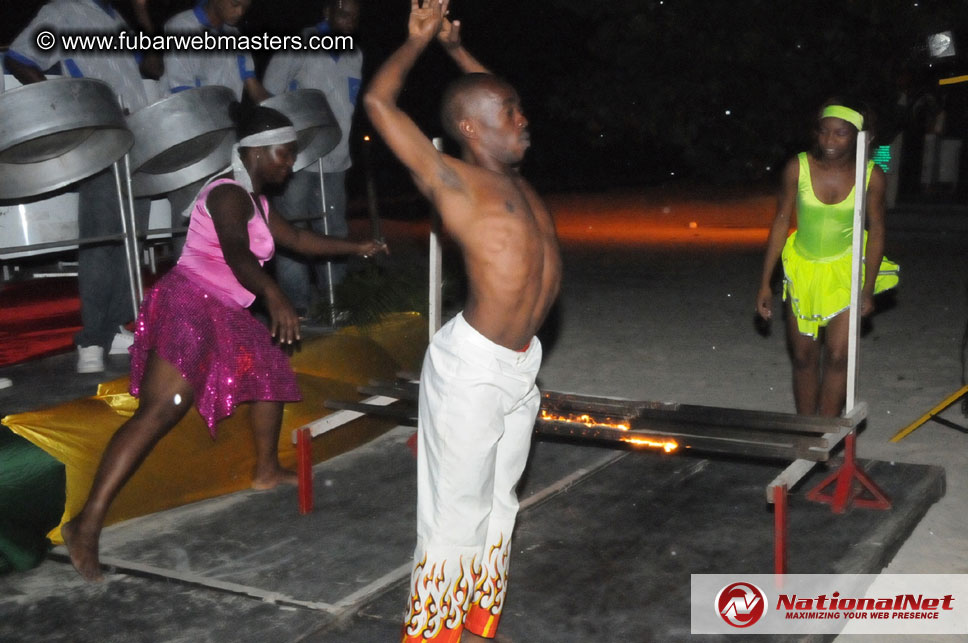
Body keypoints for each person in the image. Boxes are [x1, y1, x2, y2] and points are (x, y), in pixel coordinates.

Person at [60, 105, 387, 581]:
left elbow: (298, 238)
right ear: (255, 151)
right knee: (163, 407)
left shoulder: (258, 203)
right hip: (191, 302)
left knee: (271, 371)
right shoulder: (227, 194)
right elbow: (235, 252)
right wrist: (274, 294)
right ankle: (85, 524)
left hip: (225, 310)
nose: (289, 164)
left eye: (293, 155)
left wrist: (358, 247)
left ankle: (265, 469)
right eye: (284, 153)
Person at [364, 2, 561, 641]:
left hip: (520, 366)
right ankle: (430, 636)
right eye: (510, 115)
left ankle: (478, 620)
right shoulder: (454, 181)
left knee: (500, 505)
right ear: (473, 129)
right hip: (472, 369)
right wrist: (418, 42)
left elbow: (487, 95)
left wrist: (456, 50)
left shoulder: (519, 182)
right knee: (455, 516)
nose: (523, 118)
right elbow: (379, 105)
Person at [5, 0, 160, 374]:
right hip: (102, 135)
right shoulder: (64, 11)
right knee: (101, 239)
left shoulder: (117, 19)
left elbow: (153, 66)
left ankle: (118, 326)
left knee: (130, 239)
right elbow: (19, 58)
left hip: (136, 137)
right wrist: (71, 109)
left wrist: (142, 15)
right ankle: (91, 339)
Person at [756, 99, 899, 417]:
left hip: (846, 270)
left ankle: (825, 432)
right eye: (823, 132)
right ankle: (806, 433)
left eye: (840, 134)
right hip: (804, 269)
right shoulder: (798, 167)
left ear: (861, 137)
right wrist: (765, 282)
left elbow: (877, 232)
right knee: (805, 358)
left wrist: (868, 286)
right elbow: (781, 222)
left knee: (837, 357)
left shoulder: (871, 176)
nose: (829, 141)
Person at [263, 0, 363, 317]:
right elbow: (268, 94)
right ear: (327, 12)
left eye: (355, 17)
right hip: (297, 159)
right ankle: (299, 306)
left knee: (334, 229)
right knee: (294, 230)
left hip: (336, 159)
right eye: (344, 14)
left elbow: (347, 108)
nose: (350, 22)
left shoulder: (354, 54)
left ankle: (336, 302)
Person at [162, 0, 270, 256]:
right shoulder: (181, 27)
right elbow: (184, 92)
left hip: (225, 140)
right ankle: (185, 288)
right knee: (189, 221)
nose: (241, 12)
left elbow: (253, 87)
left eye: (246, 6)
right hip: (189, 138)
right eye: (235, 4)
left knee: (226, 217)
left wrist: (282, 113)